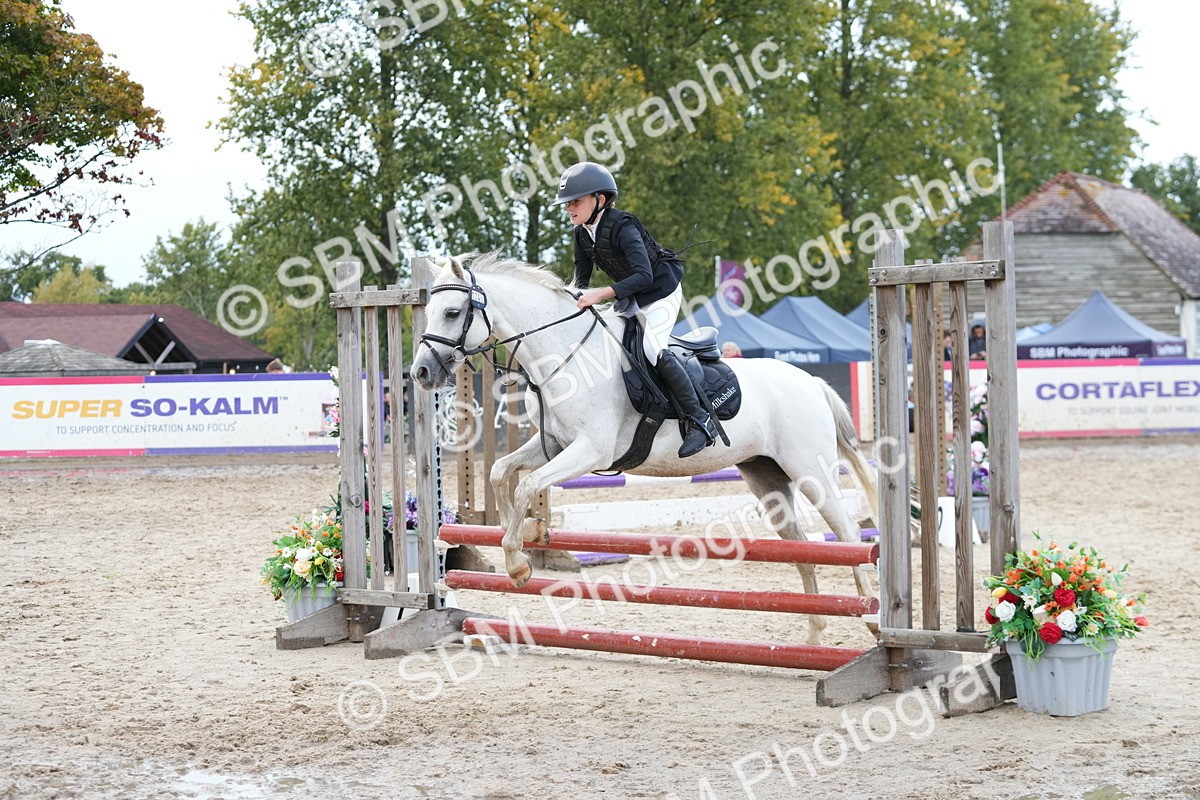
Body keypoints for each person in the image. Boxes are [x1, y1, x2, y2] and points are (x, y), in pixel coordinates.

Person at [556, 161, 716, 457]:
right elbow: (581, 280)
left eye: (575, 201)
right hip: (631, 297)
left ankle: (699, 421)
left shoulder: (623, 225)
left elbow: (644, 275)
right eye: (567, 203)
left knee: (654, 349)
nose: (569, 208)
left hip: (661, 290)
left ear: (599, 200)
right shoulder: (581, 234)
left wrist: (600, 294)